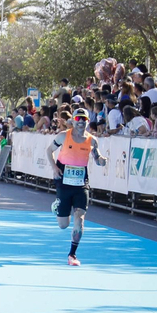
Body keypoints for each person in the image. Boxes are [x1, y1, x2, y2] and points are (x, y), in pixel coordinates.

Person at [47, 111, 107, 266]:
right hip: (64, 183)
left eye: (84, 119)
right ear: (73, 121)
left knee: (79, 218)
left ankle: (72, 255)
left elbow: (97, 158)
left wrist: (101, 161)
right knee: (63, 225)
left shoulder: (92, 140)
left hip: (81, 184)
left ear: (88, 121)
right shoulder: (63, 136)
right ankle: (57, 206)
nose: (81, 122)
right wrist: (54, 167)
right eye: (78, 119)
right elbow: (49, 151)